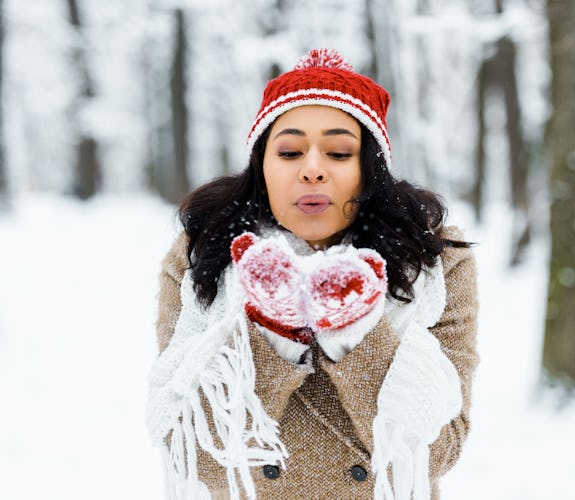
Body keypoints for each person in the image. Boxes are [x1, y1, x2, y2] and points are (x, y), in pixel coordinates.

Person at [146, 48, 479, 500]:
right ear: (262, 166)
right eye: (289, 151)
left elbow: (439, 451)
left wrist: (358, 332)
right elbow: (187, 449)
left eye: (340, 152)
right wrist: (270, 335)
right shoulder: (204, 257)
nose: (313, 170)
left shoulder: (431, 262)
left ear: (369, 169)